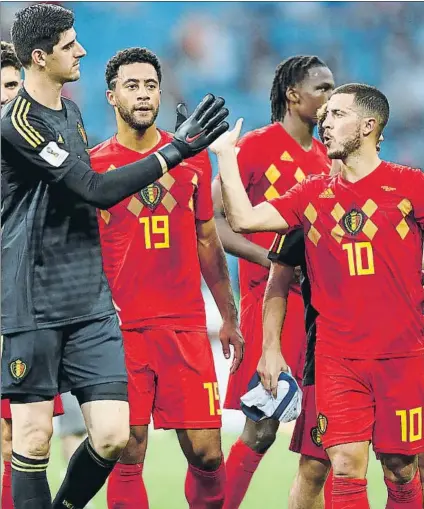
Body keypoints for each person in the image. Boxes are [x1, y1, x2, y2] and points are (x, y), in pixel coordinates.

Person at [1, 4, 229, 509]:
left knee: (112, 437)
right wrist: (176, 149)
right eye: (69, 45)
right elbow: (95, 189)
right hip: (34, 299)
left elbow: (207, 235)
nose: (80, 50)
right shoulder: (16, 122)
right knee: (34, 440)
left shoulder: (72, 113)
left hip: (92, 304)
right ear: (40, 57)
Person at [212, 83, 424, 507]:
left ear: (369, 125)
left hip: (402, 355)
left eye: (337, 115)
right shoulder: (311, 194)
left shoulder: (410, 188)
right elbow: (244, 219)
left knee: (401, 468)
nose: (325, 123)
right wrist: (226, 157)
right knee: (343, 463)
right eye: (324, 115)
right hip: (336, 357)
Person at [89, 46, 244, 509]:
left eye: (150, 86)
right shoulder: (94, 167)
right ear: (111, 96)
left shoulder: (192, 160)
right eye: (131, 86)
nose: (143, 94)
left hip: (185, 326)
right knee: (127, 449)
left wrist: (229, 314)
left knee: (207, 454)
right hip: (120, 331)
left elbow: (207, 243)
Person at [211, 55, 335, 508]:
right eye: (322, 88)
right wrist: (273, 257)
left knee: (322, 446)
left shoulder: (328, 157)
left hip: (323, 311)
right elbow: (212, 222)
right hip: (269, 298)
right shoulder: (255, 146)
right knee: (261, 428)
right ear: (293, 94)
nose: (329, 98)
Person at [0, 40, 66, 509]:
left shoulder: (37, 151)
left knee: (19, 437)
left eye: (15, 84)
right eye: (4, 86)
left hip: (25, 310)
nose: (12, 95)